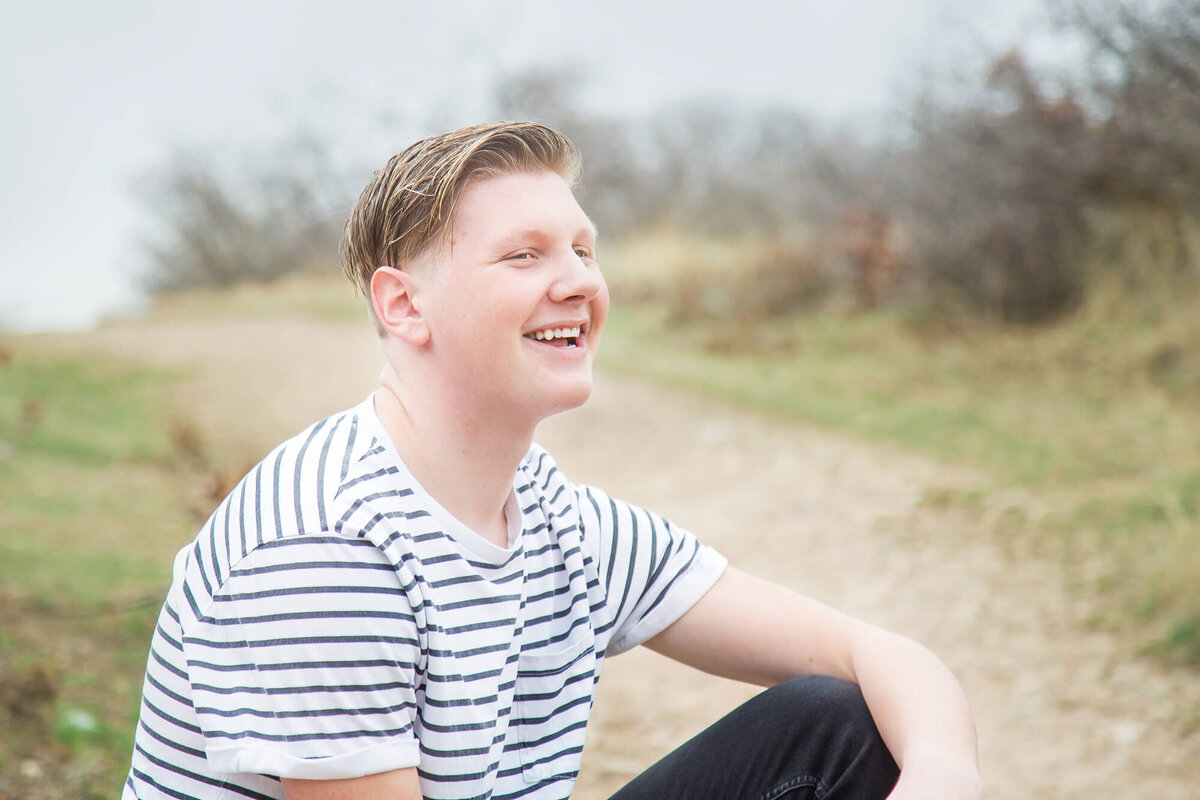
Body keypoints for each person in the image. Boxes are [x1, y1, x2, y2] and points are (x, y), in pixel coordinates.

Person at [124, 121, 981, 800]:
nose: (578, 281)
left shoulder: (557, 517)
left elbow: (877, 654)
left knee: (841, 725)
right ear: (404, 305)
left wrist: (942, 777)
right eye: (524, 254)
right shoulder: (329, 546)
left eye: (583, 248)